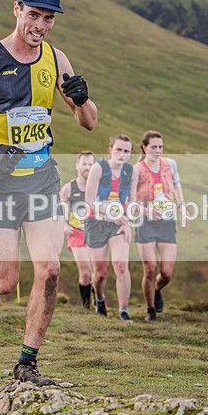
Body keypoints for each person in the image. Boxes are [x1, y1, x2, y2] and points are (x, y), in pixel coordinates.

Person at [0, 0, 97, 386]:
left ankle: (27, 364)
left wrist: (82, 100)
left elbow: (89, 123)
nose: (41, 25)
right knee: (7, 279)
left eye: (48, 18)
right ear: (17, 10)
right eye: (34, 15)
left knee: (48, 268)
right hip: (0, 181)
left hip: (43, 178)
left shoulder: (56, 58)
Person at [84, 135, 138, 320]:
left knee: (121, 265)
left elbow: (132, 201)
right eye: (119, 150)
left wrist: (128, 223)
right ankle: (99, 298)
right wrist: (111, 213)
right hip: (96, 222)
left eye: (126, 151)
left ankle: (124, 311)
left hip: (119, 224)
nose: (122, 154)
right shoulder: (98, 168)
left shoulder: (131, 172)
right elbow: (89, 201)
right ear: (111, 149)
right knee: (100, 273)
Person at [134, 130, 184, 322]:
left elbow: (177, 185)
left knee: (167, 273)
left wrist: (182, 205)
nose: (157, 150)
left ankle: (156, 289)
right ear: (145, 147)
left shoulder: (170, 164)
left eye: (160, 147)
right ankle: (150, 310)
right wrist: (145, 211)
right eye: (153, 147)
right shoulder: (136, 170)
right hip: (144, 222)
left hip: (166, 221)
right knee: (150, 269)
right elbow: (129, 199)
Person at [60, 150, 95, 308]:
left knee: (97, 273)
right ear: (77, 165)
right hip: (76, 233)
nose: (87, 167)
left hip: (95, 233)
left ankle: (98, 304)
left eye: (90, 164)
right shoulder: (69, 188)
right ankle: (86, 306)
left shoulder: (98, 187)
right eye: (84, 164)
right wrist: (65, 225)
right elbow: (58, 209)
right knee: (86, 272)